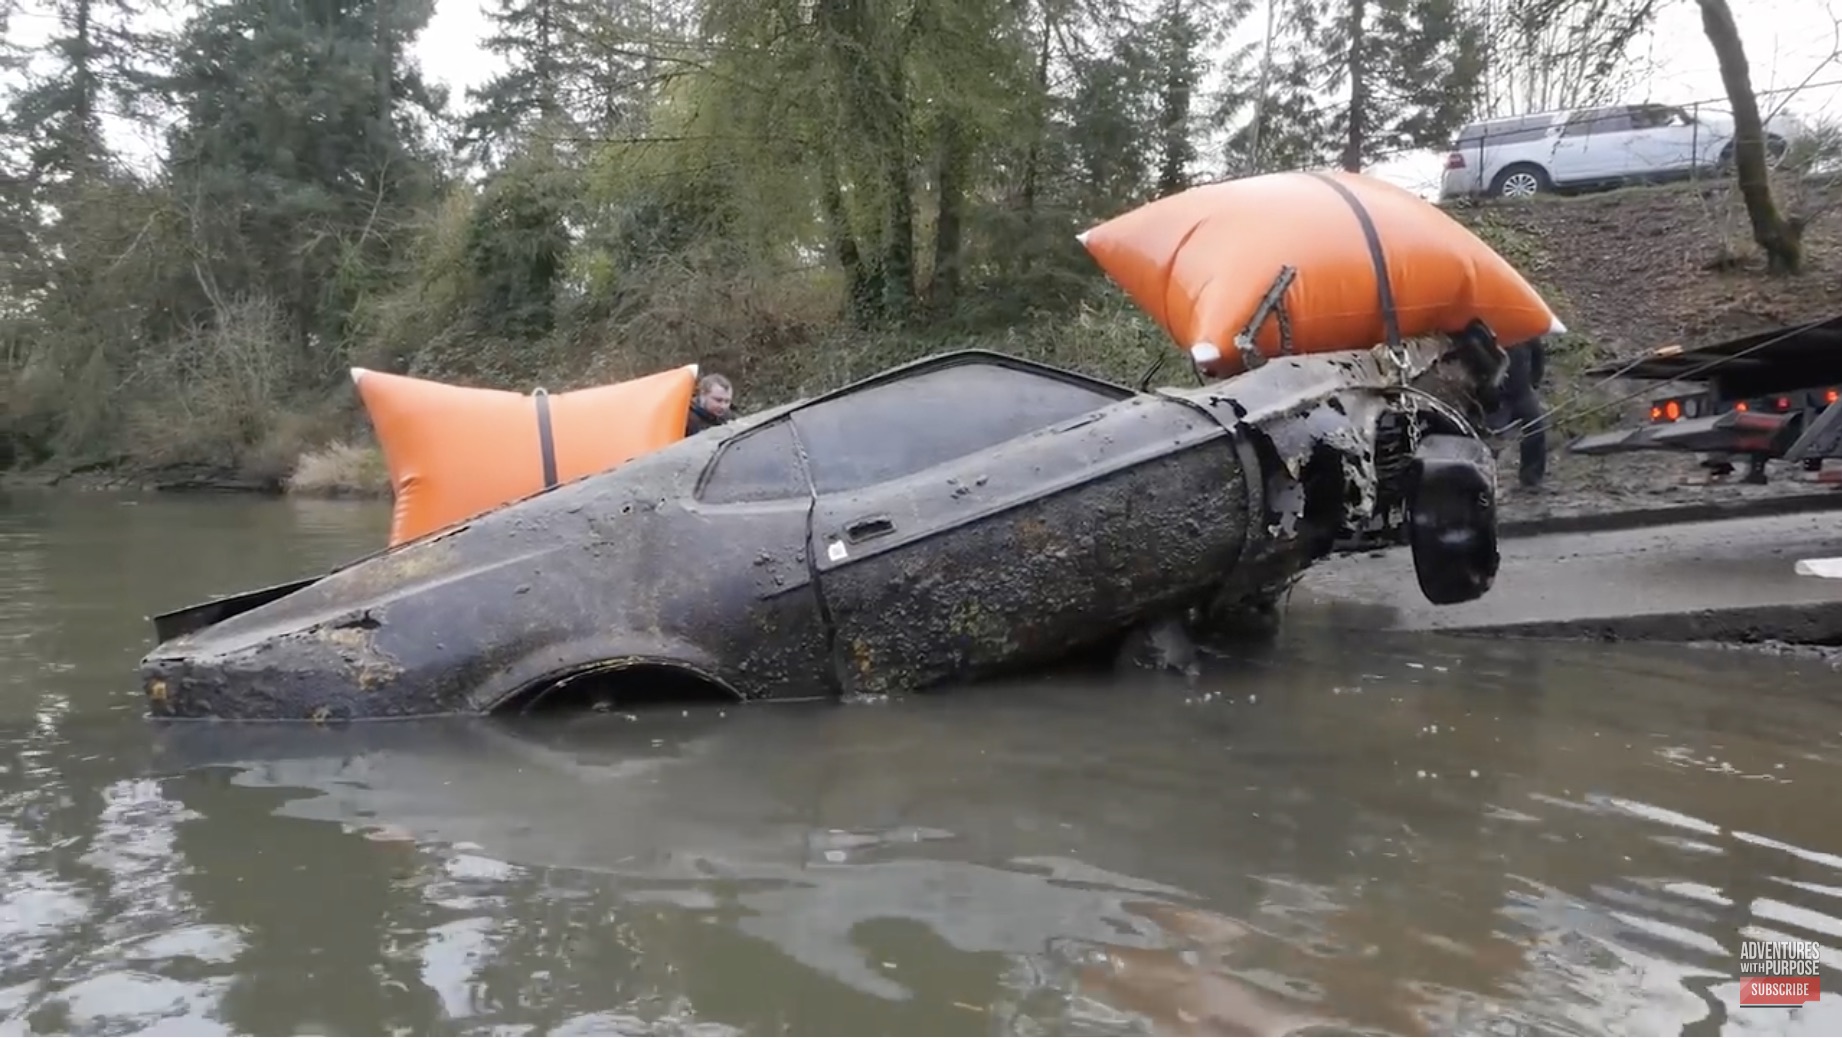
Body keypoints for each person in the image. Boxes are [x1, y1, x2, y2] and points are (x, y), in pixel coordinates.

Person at [1490, 337, 1548, 490]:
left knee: (1536, 430)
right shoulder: (1485, 336)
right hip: (1496, 396)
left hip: (1523, 392)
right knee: (1491, 438)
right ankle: (1485, 480)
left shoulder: (1527, 333)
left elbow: (1538, 357)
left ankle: (1531, 478)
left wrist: (1534, 382)